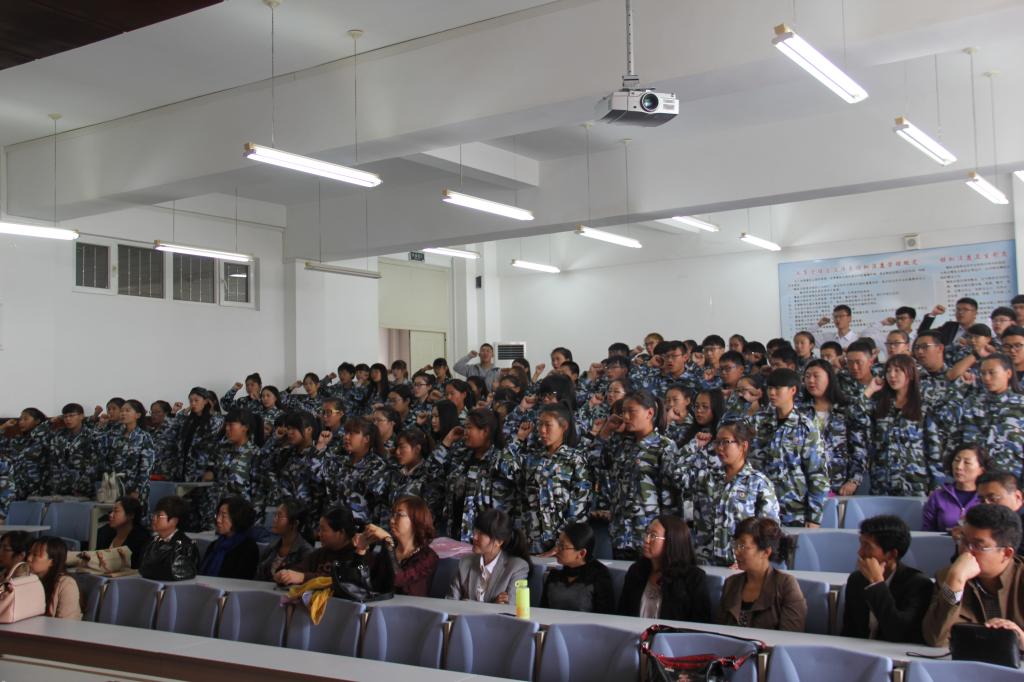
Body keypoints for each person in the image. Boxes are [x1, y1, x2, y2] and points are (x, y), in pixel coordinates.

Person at [595, 390, 682, 558]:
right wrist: (606, 431)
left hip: (647, 534)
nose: (626, 417)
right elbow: (596, 464)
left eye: (631, 411)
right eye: (623, 412)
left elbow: (669, 495)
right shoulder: (622, 444)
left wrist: (666, 533)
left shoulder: (664, 446)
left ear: (649, 413)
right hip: (620, 532)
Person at [923, 504, 1024, 647]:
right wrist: (955, 582)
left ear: (1006, 553)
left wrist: (1021, 639)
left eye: (977, 546)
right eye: (963, 541)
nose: (966, 551)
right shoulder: (951, 576)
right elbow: (936, 639)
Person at [496, 403, 591, 554]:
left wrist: (561, 544)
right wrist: (519, 439)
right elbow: (503, 467)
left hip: (562, 545)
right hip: (530, 540)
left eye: (548, 425)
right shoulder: (531, 458)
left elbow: (579, 506)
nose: (542, 430)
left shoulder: (575, 460)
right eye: (540, 424)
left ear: (564, 426)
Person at [691, 422, 780, 566]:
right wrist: (694, 445)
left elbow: (769, 532)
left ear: (743, 446)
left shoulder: (758, 483)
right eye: (717, 442)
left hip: (740, 565)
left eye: (726, 442)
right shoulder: (707, 478)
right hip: (704, 563)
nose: (719, 448)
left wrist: (749, 562)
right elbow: (676, 475)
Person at [748, 368, 827, 527]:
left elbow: (817, 474)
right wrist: (743, 401)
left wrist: (814, 517)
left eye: (777, 388)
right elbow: (729, 432)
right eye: (770, 388)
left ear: (792, 390)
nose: (772, 393)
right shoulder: (758, 421)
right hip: (758, 506)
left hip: (793, 510)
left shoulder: (806, 427)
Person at [841, 515, 934, 643]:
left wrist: (877, 584)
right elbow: (848, 632)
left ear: (891, 554)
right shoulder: (856, 579)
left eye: (867, 546)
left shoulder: (918, 584)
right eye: (861, 544)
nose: (860, 552)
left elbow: (899, 633)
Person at [861, 355, 940, 496]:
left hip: (914, 481)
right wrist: (870, 390)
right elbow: (855, 416)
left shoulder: (923, 406)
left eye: (897, 371)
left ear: (909, 373)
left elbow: (933, 448)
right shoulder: (880, 404)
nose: (892, 375)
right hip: (882, 480)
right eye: (888, 371)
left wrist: (936, 483)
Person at [431, 408, 511, 542]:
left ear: (485, 431)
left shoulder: (500, 460)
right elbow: (431, 473)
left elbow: (503, 508)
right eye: (465, 427)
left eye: (469, 428)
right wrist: (446, 443)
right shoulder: (460, 455)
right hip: (453, 533)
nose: (465, 433)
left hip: (482, 539)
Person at [618, 515, 710, 622]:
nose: (646, 540)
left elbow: (701, 624)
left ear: (672, 541)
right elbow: (622, 615)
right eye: (647, 533)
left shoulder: (693, 578)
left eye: (653, 536)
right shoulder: (636, 571)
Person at [720, 517, 805, 631]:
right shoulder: (731, 583)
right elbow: (719, 629)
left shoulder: (786, 585)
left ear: (766, 552)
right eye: (736, 545)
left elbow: (790, 638)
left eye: (742, 546)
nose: (736, 552)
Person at [800, 359, 866, 496]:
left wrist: (854, 480)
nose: (811, 380)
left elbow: (859, 448)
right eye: (807, 376)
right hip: (805, 485)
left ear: (829, 378)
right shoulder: (799, 409)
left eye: (816, 376)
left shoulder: (848, 408)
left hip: (839, 485)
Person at [359, 495, 440, 597]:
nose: (392, 520)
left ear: (416, 519)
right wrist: (361, 550)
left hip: (410, 610)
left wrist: (388, 542)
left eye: (399, 514)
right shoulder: (386, 550)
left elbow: (399, 580)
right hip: (381, 607)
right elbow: (368, 582)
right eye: (392, 514)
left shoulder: (428, 557)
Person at [448, 508, 531, 604]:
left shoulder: (517, 567)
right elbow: (450, 603)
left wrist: (465, 601)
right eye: (475, 531)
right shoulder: (464, 563)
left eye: (481, 534)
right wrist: (492, 604)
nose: (474, 537)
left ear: (498, 542)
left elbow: (510, 609)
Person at [540, 522, 614, 614]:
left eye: (562, 546)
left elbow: (605, 617)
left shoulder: (599, 577)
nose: (556, 550)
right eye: (558, 543)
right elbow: (543, 611)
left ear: (581, 553)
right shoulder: (554, 575)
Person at [275, 506, 360, 585]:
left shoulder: (358, 556)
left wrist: (303, 577)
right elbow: (298, 569)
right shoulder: (319, 554)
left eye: (323, 530)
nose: (319, 534)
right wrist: (285, 574)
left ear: (341, 533)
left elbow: (345, 582)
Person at [922, 444, 991, 532]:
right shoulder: (938, 496)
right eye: (956, 460)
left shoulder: (987, 498)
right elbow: (927, 531)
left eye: (967, 462)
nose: (959, 467)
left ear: (982, 470)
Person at [138, 495, 200, 582]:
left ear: (174, 521)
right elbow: (142, 568)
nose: (154, 518)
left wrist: (151, 569)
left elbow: (173, 572)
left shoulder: (185, 545)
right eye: (154, 514)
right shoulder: (151, 541)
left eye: (159, 516)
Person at [199, 496, 259, 579]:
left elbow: (242, 580)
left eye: (223, 516)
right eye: (218, 515)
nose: (218, 520)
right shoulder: (214, 545)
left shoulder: (248, 547)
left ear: (237, 518)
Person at [256, 499, 314, 581]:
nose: (274, 519)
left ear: (294, 523)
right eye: (275, 515)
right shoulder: (272, 547)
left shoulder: (306, 552)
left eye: (279, 516)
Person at [27, 537, 81, 620]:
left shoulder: (67, 584)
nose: (29, 559)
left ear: (52, 561)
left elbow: (66, 625)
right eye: (29, 553)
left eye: (35, 555)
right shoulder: (28, 579)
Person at [95, 496, 151, 569]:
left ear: (131, 515)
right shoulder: (104, 531)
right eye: (111, 511)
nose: (111, 515)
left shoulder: (142, 538)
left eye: (116, 511)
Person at [977, 471, 1024, 551]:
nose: (986, 505)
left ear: (1018, 497)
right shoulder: (980, 522)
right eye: (981, 500)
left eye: (993, 499)